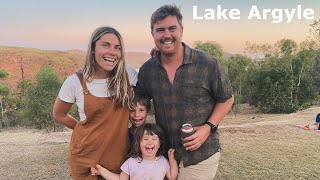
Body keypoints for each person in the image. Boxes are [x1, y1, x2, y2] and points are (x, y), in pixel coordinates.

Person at [135, 4, 234, 179]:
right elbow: (137, 103)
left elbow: (226, 98)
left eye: (172, 28)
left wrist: (208, 127)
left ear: (181, 30)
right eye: (160, 30)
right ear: (153, 34)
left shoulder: (206, 63)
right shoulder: (147, 70)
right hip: (165, 155)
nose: (166, 35)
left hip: (201, 154)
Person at [52, 26, 136, 179]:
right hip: (86, 158)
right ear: (92, 49)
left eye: (117, 47)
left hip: (118, 157)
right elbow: (59, 114)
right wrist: (82, 130)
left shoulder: (128, 75)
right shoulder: (75, 82)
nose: (112, 52)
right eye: (105, 45)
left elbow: (148, 97)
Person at [90, 123, 179, 180]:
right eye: (145, 139)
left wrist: (172, 160)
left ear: (159, 144)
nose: (149, 142)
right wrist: (102, 171)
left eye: (154, 139)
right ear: (138, 143)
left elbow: (172, 176)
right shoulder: (131, 162)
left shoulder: (162, 161)